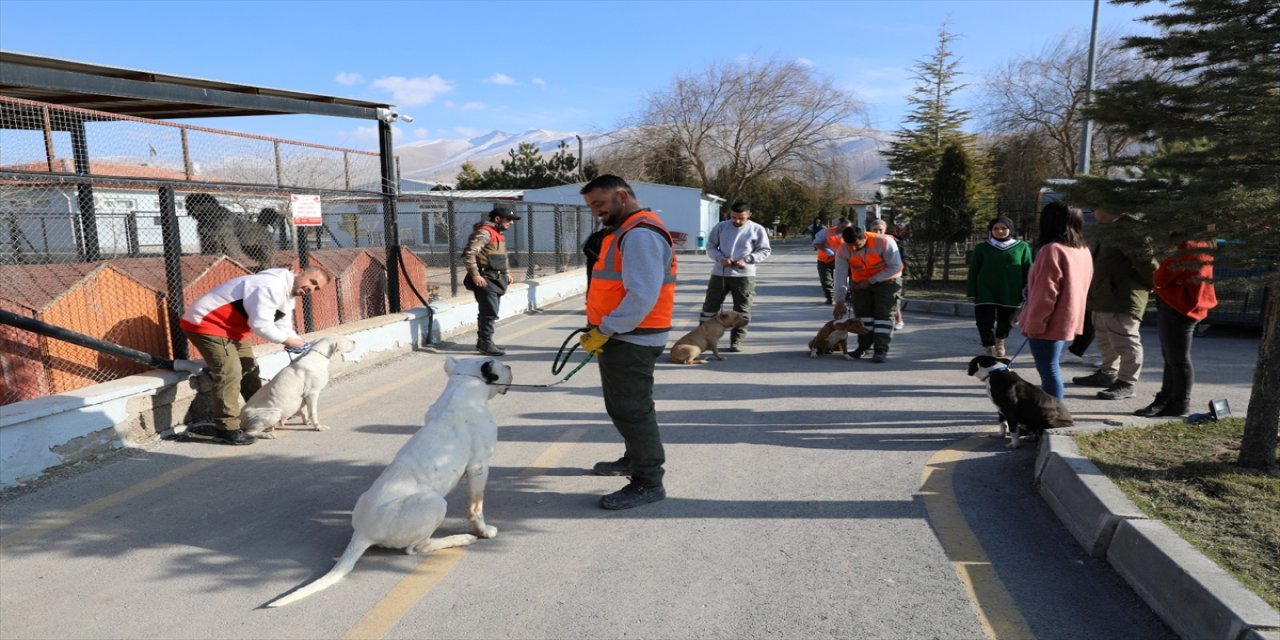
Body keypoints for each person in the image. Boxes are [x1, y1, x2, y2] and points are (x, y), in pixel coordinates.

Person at [577, 175, 677, 510]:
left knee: (631, 409)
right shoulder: (626, 231)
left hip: (633, 336)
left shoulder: (640, 235)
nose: (596, 212)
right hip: (624, 334)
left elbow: (642, 294)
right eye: (591, 206)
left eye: (599, 204)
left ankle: (649, 480)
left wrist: (605, 329)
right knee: (624, 405)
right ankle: (635, 460)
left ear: (621, 196)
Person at [179, 266, 329, 445]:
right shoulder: (270, 285)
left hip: (232, 330)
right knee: (230, 372)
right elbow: (260, 324)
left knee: (250, 368)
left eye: (316, 288)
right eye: (312, 282)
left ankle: (261, 414)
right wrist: (287, 341)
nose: (310, 289)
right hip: (206, 323)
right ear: (299, 271)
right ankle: (227, 428)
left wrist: (298, 342)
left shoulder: (287, 296)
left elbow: (284, 326)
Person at [1071, 207, 1157, 400]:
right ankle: (1108, 373)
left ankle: (1127, 382)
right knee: (1105, 338)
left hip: (1122, 297)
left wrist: (1155, 283)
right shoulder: (1110, 228)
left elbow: (1146, 261)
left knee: (1125, 341)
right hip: (1103, 296)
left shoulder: (1129, 231)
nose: (1093, 213)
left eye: (1096, 208)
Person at [1133, 231, 1218, 417]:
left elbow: (1160, 278)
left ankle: (1178, 402)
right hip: (1187, 306)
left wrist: (1163, 274)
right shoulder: (1205, 243)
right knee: (1174, 357)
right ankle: (1168, 399)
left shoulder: (1187, 245)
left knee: (1176, 359)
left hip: (1179, 306)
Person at [1019, 202, 1093, 399]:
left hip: (1048, 320)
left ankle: (1053, 414)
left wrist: (1035, 323)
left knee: (1049, 370)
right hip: (1068, 318)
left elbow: (1046, 293)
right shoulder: (1082, 249)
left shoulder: (1051, 250)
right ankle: (1052, 410)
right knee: (1051, 367)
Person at [699, 201, 771, 352]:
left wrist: (747, 259)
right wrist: (720, 258)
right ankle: (702, 338)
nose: (737, 221)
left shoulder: (757, 229)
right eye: (734, 217)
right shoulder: (720, 227)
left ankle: (736, 341)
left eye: (741, 218)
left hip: (745, 276)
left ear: (749, 215)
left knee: (742, 309)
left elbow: (764, 250)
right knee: (710, 307)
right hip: (720, 273)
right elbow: (711, 247)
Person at [832, 225, 903, 363]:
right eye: (850, 245)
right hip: (860, 283)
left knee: (883, 315)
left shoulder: (884, 242)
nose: (853, 249)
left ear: (864, 237)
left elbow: (896, 266)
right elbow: (840, 276)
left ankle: (880, 349)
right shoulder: (843, 250)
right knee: (863, 317)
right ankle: (864, 347)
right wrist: (839, 300)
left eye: (857, 245)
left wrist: (871, 281)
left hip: (888, 281)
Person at [966, 216, 1033, 357]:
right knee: (984, 321)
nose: (999, 231)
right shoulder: (982, 248)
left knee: (1008, 320)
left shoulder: (1022, 247)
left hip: (1011, 291)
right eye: (995, 228)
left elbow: (1028, 269)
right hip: (985, 290)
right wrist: (971, 292)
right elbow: (973, 271)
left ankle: (1000, 341)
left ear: (1010, 229)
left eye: (1003, 228)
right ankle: (989, 346)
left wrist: (1028, 288)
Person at [461, 205, 521, 356]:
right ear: (497, 219)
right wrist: (475, 275)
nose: (511, 223)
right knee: (489, 311)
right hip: (485, 278)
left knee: (490, 311)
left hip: (497, 278)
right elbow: (469, 254)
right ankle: (486, 343)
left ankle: (483, 341)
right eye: (509, 220)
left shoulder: (498, 234)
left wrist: (507, 273)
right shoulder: (484, 232)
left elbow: (502, 255)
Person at [868, 218, 906, 330]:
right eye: (875, 230)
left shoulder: (893, 241)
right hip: (875, 274)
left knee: (894, 299)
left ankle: (899, 320)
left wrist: (901, 273)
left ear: (885, 230)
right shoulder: (867, 241)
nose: (878, 232)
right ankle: (880, 321)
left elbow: (902, 260)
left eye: (880, 230)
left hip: (893, 274)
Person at [812, 218, 852, 304]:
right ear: (838, 225)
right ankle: (829, 297)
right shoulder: (825, 232)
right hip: (825, 260)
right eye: (842, 227)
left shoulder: (852, 233)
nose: (844, 229)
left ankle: (848, 295)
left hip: (844, 260)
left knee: (846, 278)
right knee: (826, 279)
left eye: (847, 228)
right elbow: (816, 243)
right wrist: (825, 250)